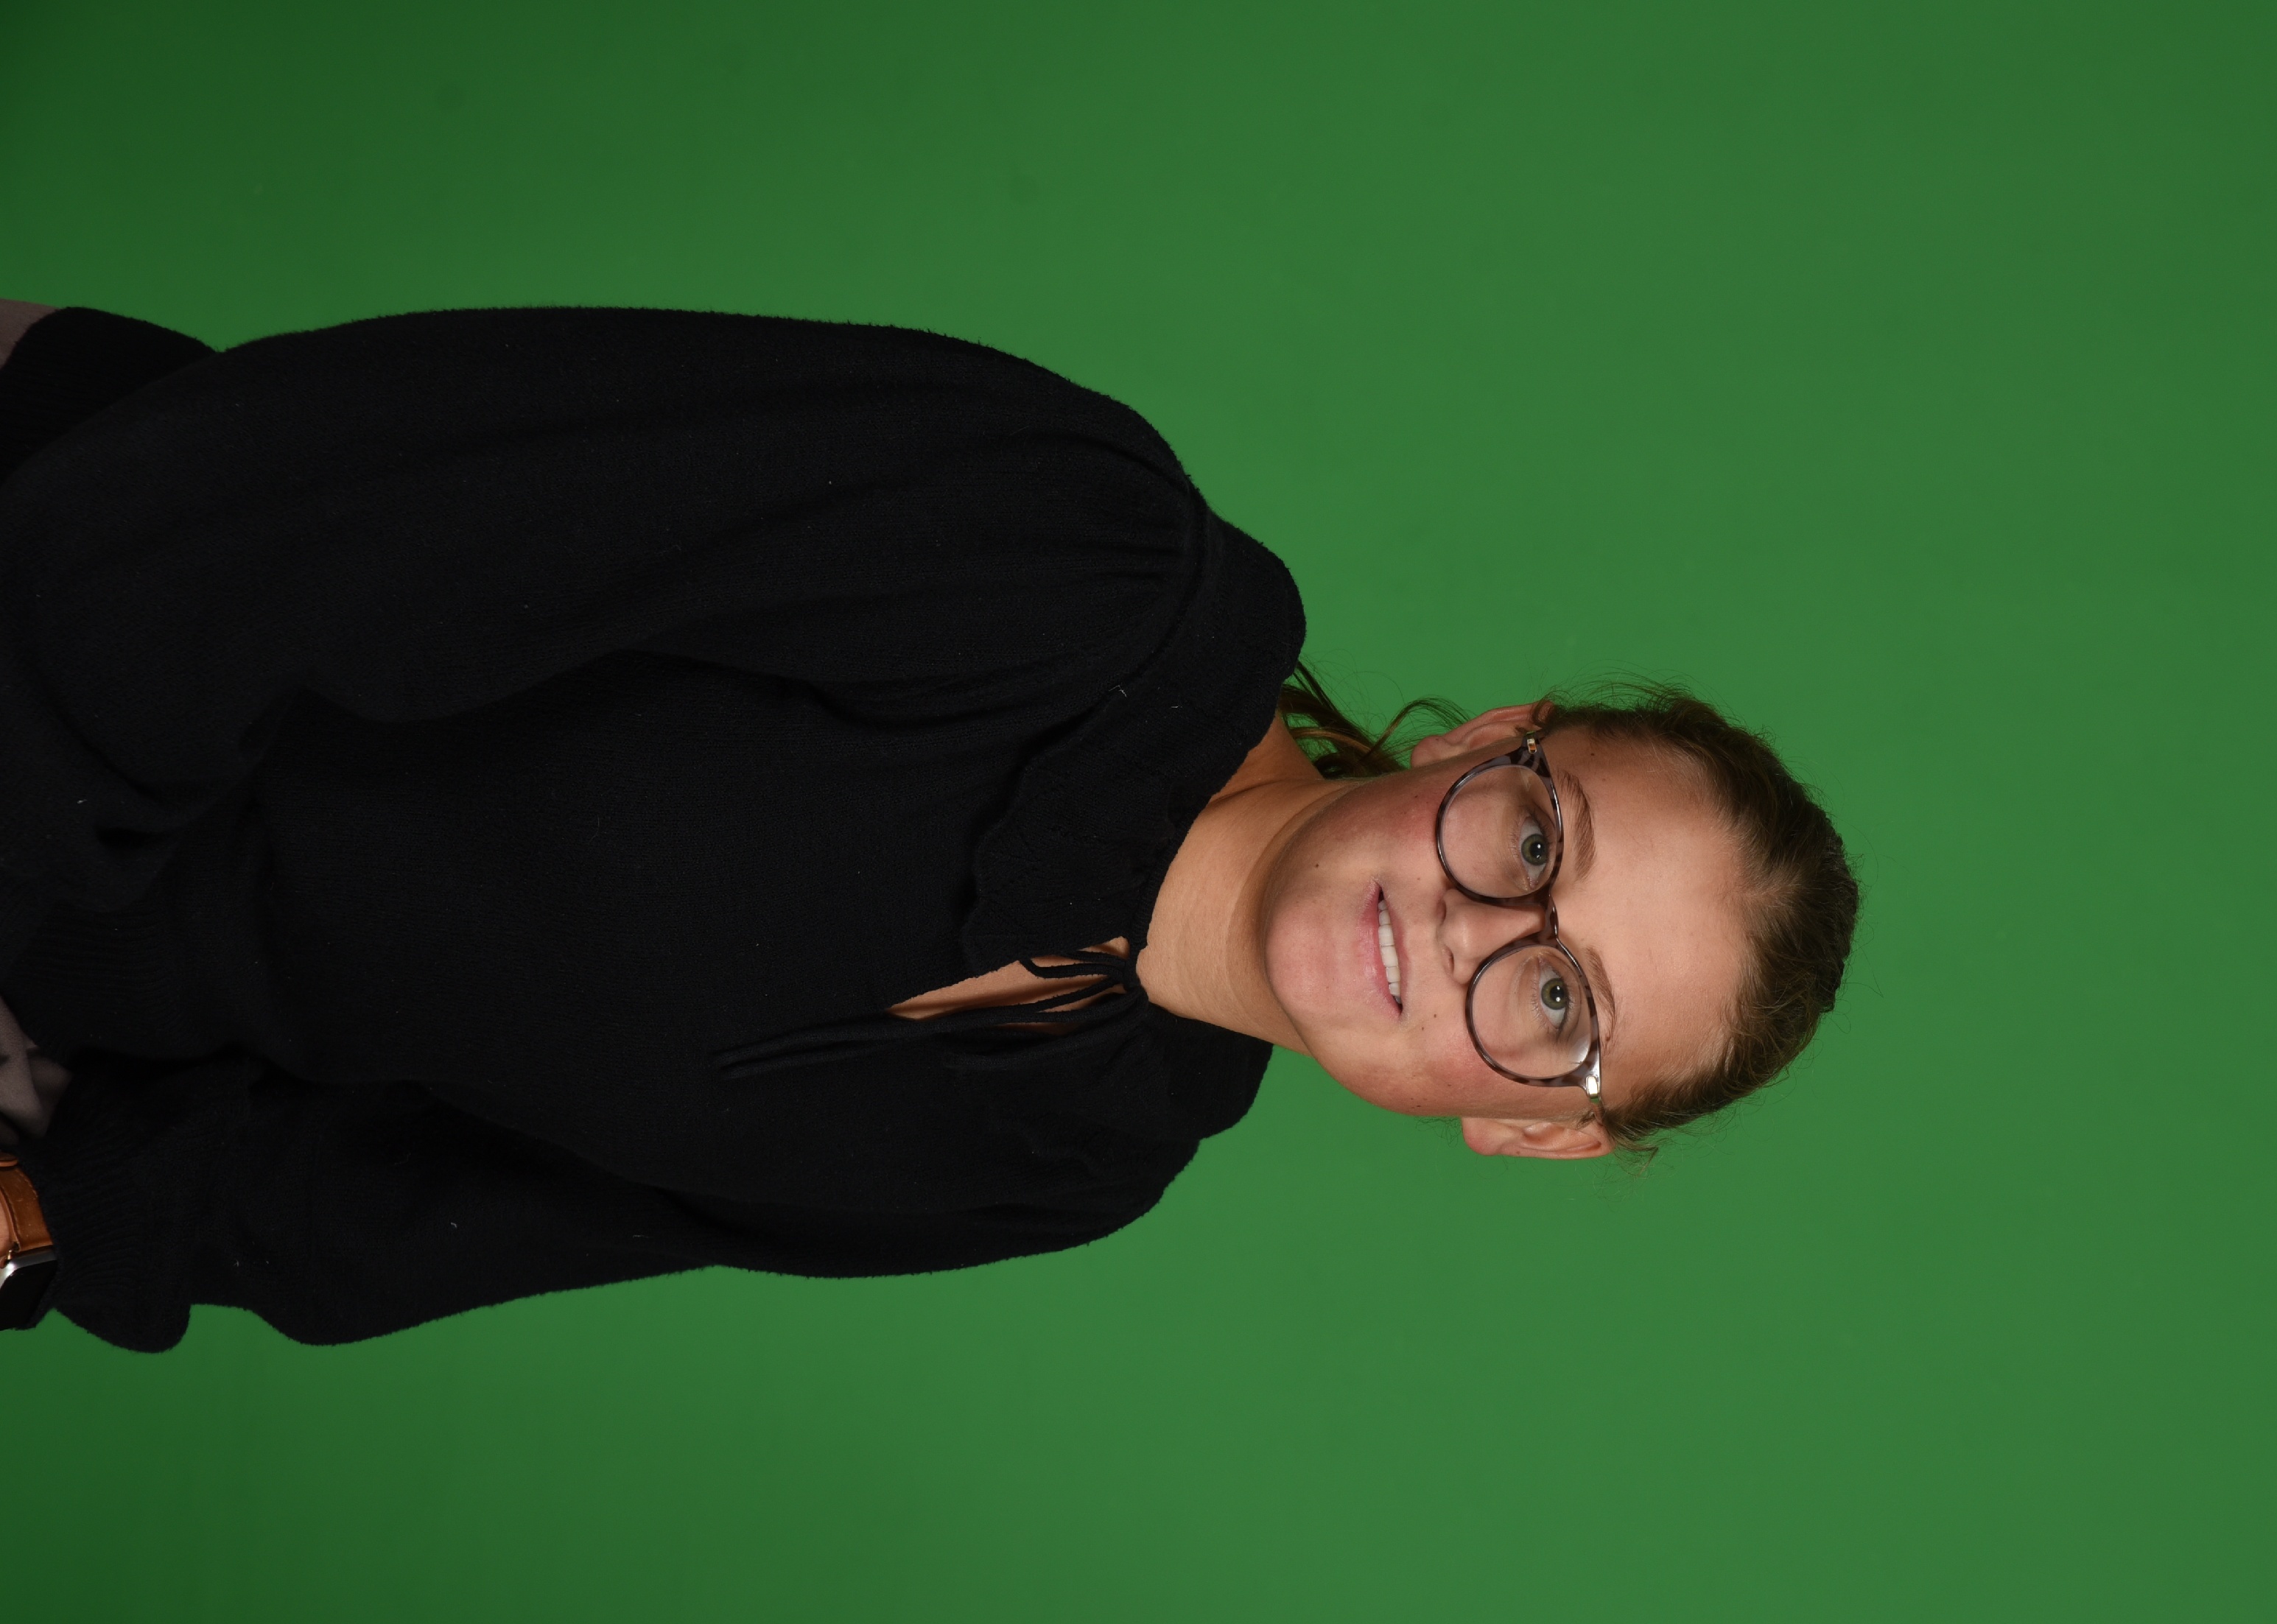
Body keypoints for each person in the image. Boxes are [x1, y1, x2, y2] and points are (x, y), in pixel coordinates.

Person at [0, 302, 1856, 1354]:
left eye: (1556, 1002)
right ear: (1498, 740)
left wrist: (52, 1216)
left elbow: (431, 1207)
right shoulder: (1080, 563)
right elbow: (327, 500)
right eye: (1535, 848)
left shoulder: (1070, 1158)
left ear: (1529, 1128)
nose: (1474, 935)